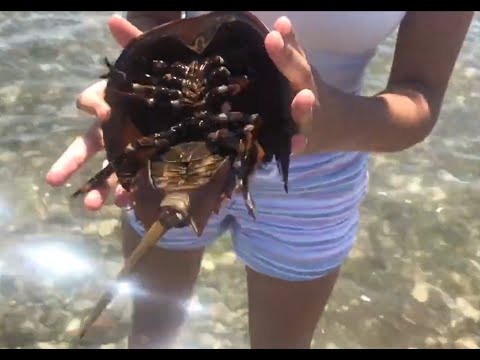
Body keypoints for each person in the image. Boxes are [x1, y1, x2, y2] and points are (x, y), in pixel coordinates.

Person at [45, 11, 473, 348]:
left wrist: (333, 123)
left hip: (319, 167)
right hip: (170, 144)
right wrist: (129, 93)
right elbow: (150, 18)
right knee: (154, 332)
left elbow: (419, 96)